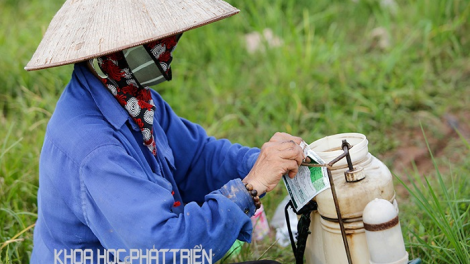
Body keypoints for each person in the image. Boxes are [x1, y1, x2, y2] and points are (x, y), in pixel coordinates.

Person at [25, 0, 307, 263]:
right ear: (117, 49)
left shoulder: (130, 98)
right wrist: (250, 187)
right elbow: (165, 249)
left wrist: (267, 162)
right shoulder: (95, 150)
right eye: (156, 43)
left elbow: (198, 158)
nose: (167, 50)